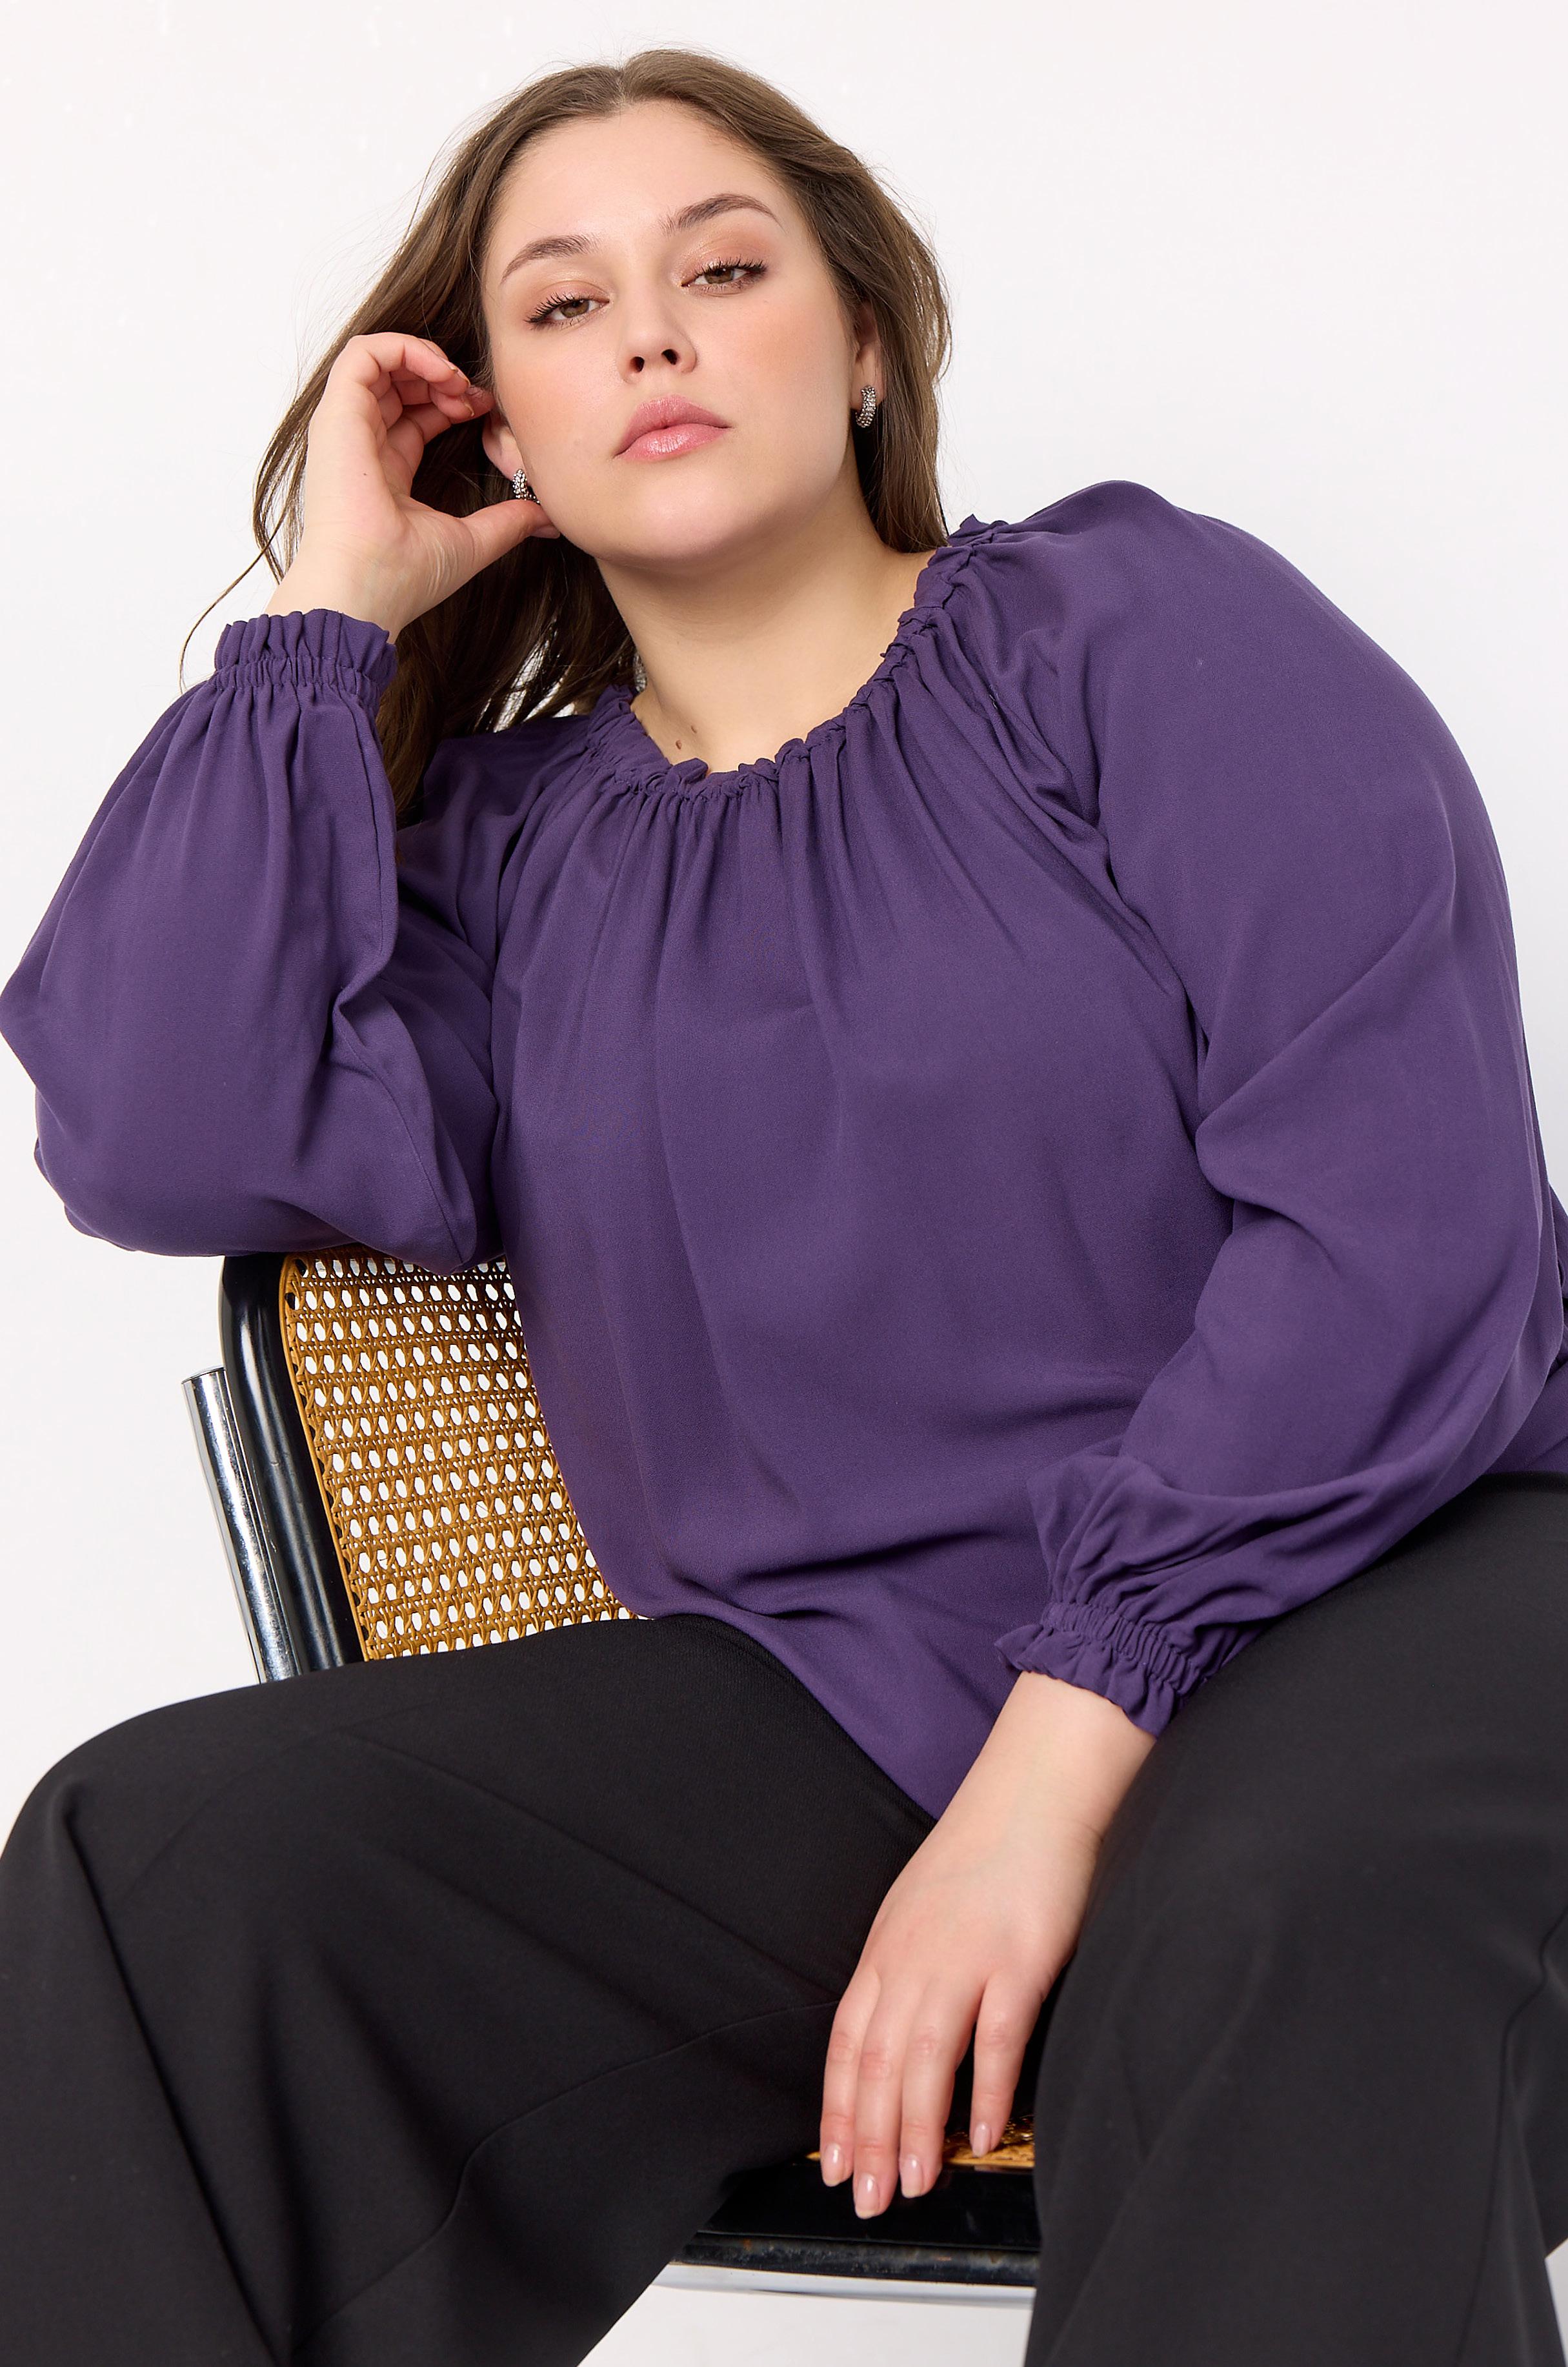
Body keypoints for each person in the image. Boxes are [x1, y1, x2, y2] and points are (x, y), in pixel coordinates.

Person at [2, 41, 1567, 2367]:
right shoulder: (510, 866)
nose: (651, 333)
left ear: (862, 347)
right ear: (497, 435)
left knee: (1256, 1917)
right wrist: (328, 608)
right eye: (564, 307)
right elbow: (149, 1120)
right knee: (165, 1875)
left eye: (723, 271)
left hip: (1402, 1578)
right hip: (855, 1704)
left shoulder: (1136, 634)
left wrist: (1053, 1769)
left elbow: (1405, 1237)